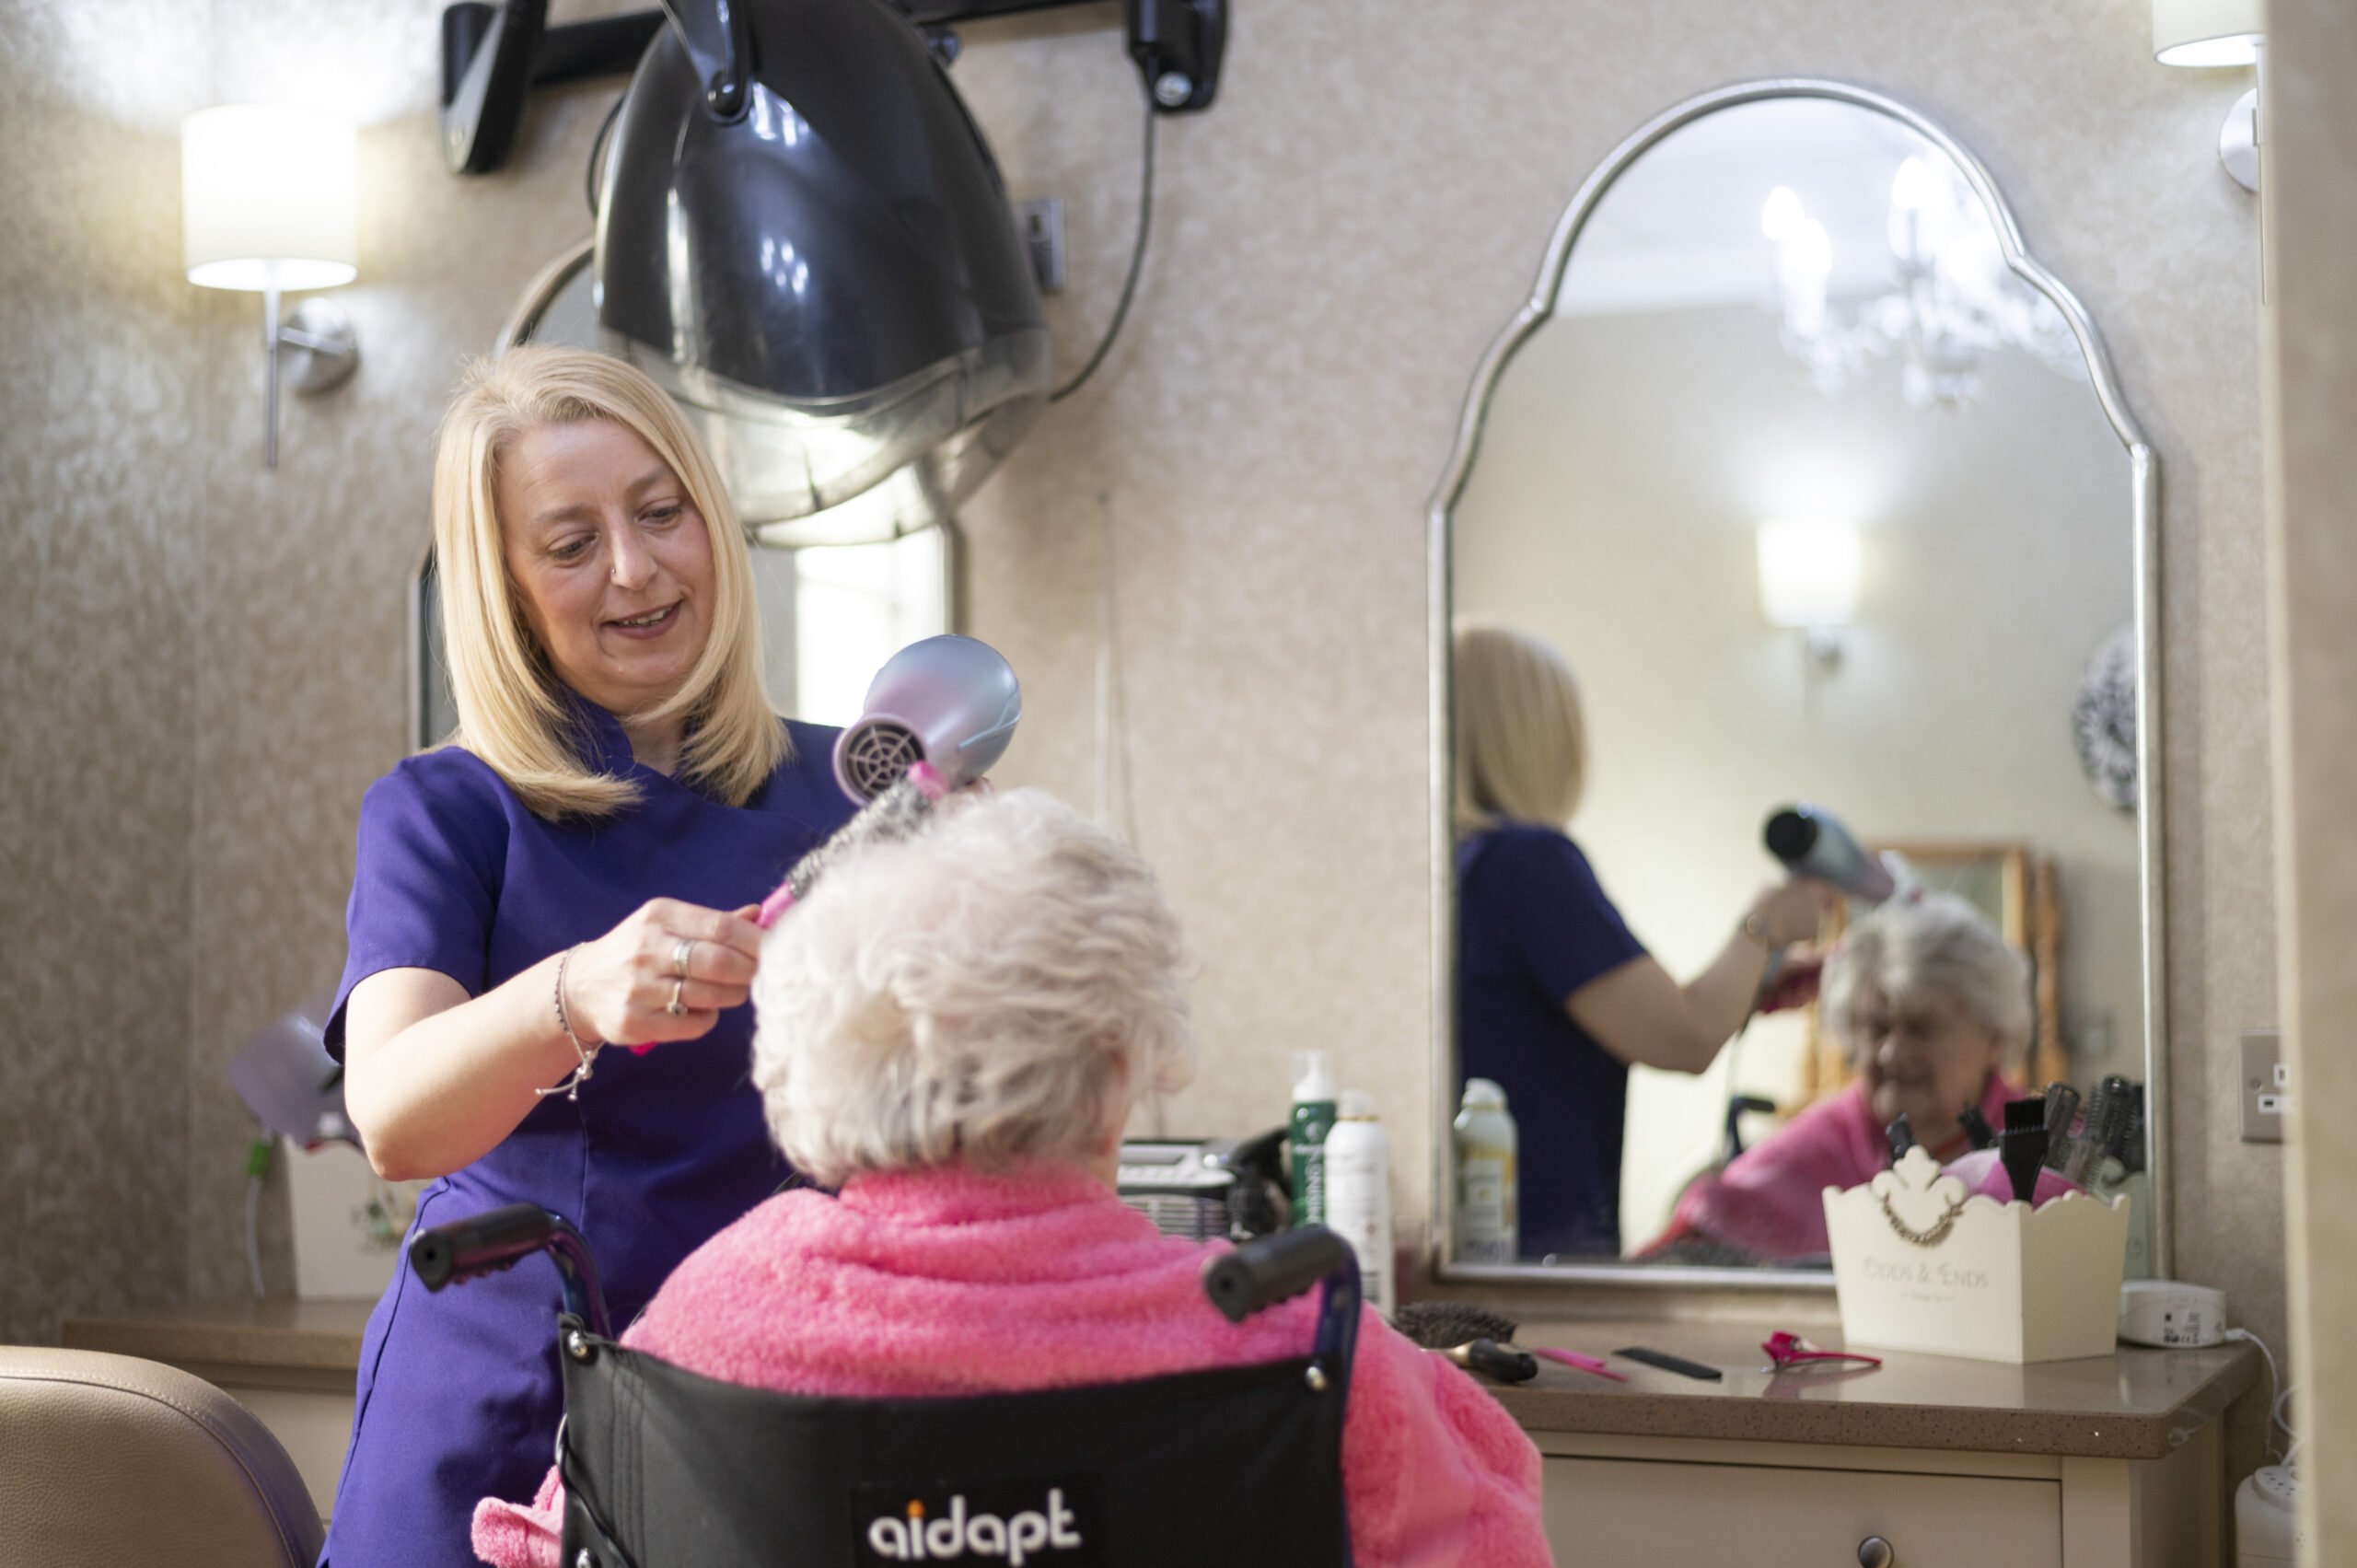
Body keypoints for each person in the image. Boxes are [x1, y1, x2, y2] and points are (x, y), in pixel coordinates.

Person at [471, 789, 1551, 1568]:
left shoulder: (699, 1332)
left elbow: (541, 1543)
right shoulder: (1299, 1351)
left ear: (807, 1057)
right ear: (1126, 1055)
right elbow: (1490, 1534)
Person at [319, 347, 860, 1567]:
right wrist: (569, 994)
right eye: (569, 544)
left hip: (766, 1405)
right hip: (509, 1405)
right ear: (505, 588)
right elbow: (396, 1114)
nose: (634, 566)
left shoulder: (850, 795)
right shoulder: (447, 810)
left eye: (661, 512)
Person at [1452, 621, 1828, 1258]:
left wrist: (1747, 982)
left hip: (1479, 1244)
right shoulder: (1530, 864)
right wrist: (1768, 923)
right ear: (1535, 737)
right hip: (1542, 1256)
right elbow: (1682, 1036)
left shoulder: (1460, 867)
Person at [1648, 892, 2031, 1263]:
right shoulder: (1806, 1153)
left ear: (1993, 1039)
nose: (1892, 1052)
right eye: (1877, 1030)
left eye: (1922, 1029)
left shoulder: (2053, 1148)